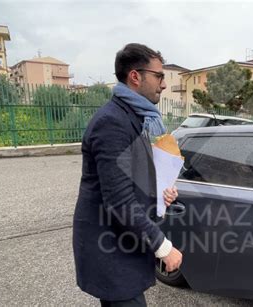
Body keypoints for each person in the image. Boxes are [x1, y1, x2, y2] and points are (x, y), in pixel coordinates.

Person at [73, 43, 182, 307]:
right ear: (135, 76)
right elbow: (119, 201)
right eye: (159, 76)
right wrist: (163, 246)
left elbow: (131, 179)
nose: (164, 84)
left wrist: (160, 194)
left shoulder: (133, 117)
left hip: (122, 245)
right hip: (110, 249)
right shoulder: (113, 122)